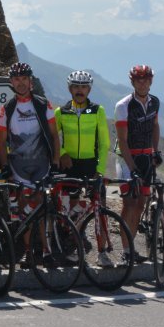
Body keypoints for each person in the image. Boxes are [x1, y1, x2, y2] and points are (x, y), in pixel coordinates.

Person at [0, 62, 61, 264]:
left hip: (42, 163)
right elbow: (1, 141)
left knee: (41, 206)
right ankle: (28, 252)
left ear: (30, 80)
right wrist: (5, 167)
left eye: (24, 78)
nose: (21, 83)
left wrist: (56, 161)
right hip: (19, 167)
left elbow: (54, 135)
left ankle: (46, 251)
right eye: (17, 79)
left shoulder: (43, 104)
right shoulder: (7, 109)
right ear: (11, 82)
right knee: (26, 207)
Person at [55, 70, 112, 267]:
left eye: (84, 87)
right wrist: (62, 153)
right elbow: (53, 137)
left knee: (100, 209)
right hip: (70, 166)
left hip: (91, 165)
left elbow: (104, 143)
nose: (80, 90)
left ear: (89, 89)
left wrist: (100, 169)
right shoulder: (61, 112)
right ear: (70, 89)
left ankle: (102, 253)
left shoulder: (97, 111)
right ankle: (74, 247)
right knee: (73, 210)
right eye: (76, 87)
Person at [115, 64, 161, 263]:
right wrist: (132, 168)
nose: (142, 83)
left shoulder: (154, 102)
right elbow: (122, 140)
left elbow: (155, 126)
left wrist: (155, 151)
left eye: (146, 80)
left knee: (141, 203)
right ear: (132, 82)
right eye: (138, 80)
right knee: (130, 204)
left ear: (151, 82)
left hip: (146, 157)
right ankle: (126, 252)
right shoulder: (123, 106)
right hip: (126, 158)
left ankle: (131, 249)